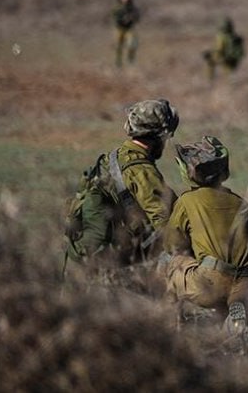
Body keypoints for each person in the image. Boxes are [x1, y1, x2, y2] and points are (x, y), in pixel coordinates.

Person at [161, 136, 248, 320]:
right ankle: (238, 318)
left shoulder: (188, 201)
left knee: (170, 262)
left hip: (213, 283)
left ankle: (171, 326)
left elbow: (172, 243)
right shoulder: (240, 202)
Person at [64, 99, 179, 267]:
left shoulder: (111, 158)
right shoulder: (140, 170)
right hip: (115, 266)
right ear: (159, 135)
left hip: (81, 263)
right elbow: (169, 224)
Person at [112, 0, 141, 68]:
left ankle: (131, 60)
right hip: (119, 29)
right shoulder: (117, 8)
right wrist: (122, 19)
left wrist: (131, 18)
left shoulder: (133, 8)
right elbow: (114, 17)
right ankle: (118, 63)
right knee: (118, 46)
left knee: (132, 45)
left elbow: (137, 17)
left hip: (130, 29)